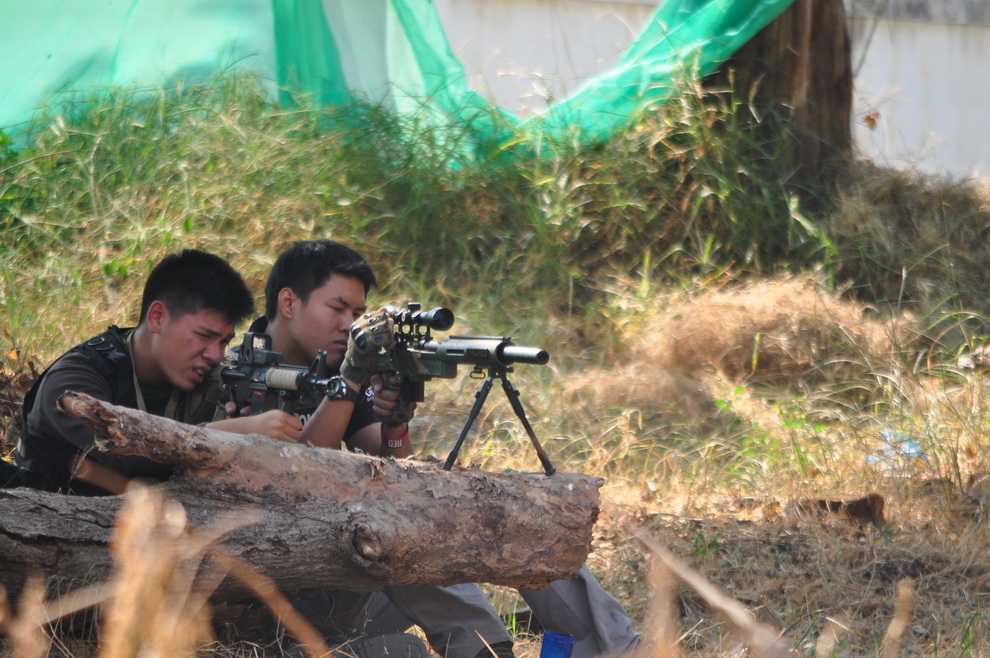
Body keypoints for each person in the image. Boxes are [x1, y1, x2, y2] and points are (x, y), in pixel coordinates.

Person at [222, 239, 642, 658]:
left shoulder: (338, 366)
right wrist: (350, 377)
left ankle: (613, 648)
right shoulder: (231, 372)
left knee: (501, 510)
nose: (348, 325)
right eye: (337, 308)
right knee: (395, 531)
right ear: (289, 302)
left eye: (357, 313)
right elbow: (297, 475)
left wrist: (395, 422)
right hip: (277, 601)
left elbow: (395, 468)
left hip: (353, 590)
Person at [13, 249, 429, 658]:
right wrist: (230, 436)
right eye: (204, 336)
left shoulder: (203, 379)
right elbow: (119, 460)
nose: (214, 355)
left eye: (224, 341)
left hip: (183, 577)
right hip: (65, 568)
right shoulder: (77, 377)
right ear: (157, 317)